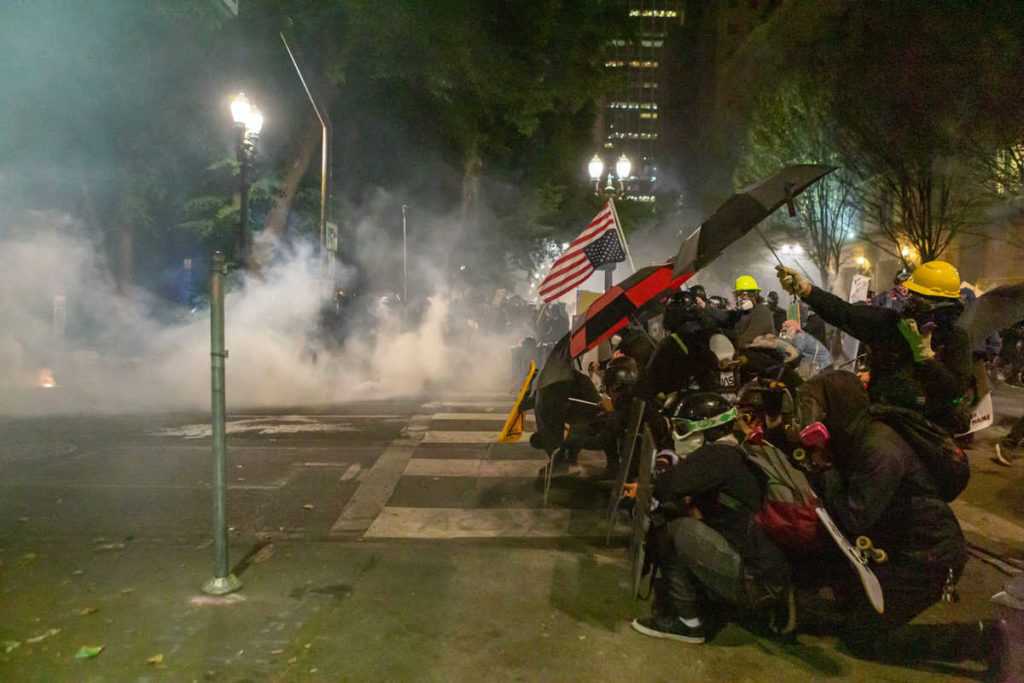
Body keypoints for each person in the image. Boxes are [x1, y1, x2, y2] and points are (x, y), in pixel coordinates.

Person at [792, 371, 990, 665]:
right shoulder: (858, 435)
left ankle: (980, 641)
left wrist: (824, 468)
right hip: (898, 547)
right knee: (843, 608)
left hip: (928, 558)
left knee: (862, 638)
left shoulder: (879, 448)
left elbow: (854, 517)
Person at [631, 392, 794, 643]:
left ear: (707, 429)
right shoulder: (736, 451)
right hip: (769, 574)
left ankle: (688, 622)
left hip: (755, 582)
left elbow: (665, 486)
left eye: (683, 428)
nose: (678, 435)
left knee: (672, 528)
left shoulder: (717, 457)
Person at [777, 260, 973, 434]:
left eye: (922, 299)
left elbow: (954, 390)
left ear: (944, 306)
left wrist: (925, 358)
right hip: (882, 414)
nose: (914, 304)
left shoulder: (955, 338)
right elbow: (845, 313)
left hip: (925, 427)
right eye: (913, 297)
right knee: (831, 384)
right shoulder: (889, 324)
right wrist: (807, 291)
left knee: (879, 454)